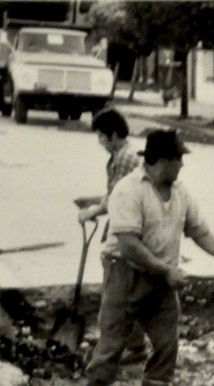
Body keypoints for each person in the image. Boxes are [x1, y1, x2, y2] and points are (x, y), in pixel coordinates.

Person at [77, 129, 214, 386]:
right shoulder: (128, 190)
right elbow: (128, 244)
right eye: (179, 159)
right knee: (111, 347)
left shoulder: (181, 193)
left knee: (167, 347)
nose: (183, 165)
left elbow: (200, 233)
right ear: (164, 160)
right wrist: (166, 269)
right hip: (125, 275)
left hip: (161, 282)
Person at [76, 107, 148, 362]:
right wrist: (93, 201)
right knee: (127, 289)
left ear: (114, 134)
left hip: (128, 230)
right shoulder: (128, 154)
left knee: (119, 291)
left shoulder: (124, 159)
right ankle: (129, 342)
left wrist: (91, 211)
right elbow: (114, 194)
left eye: (101, 136)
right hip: (132, 228)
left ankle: (128, 346)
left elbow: (116, 200)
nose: (100, 142)